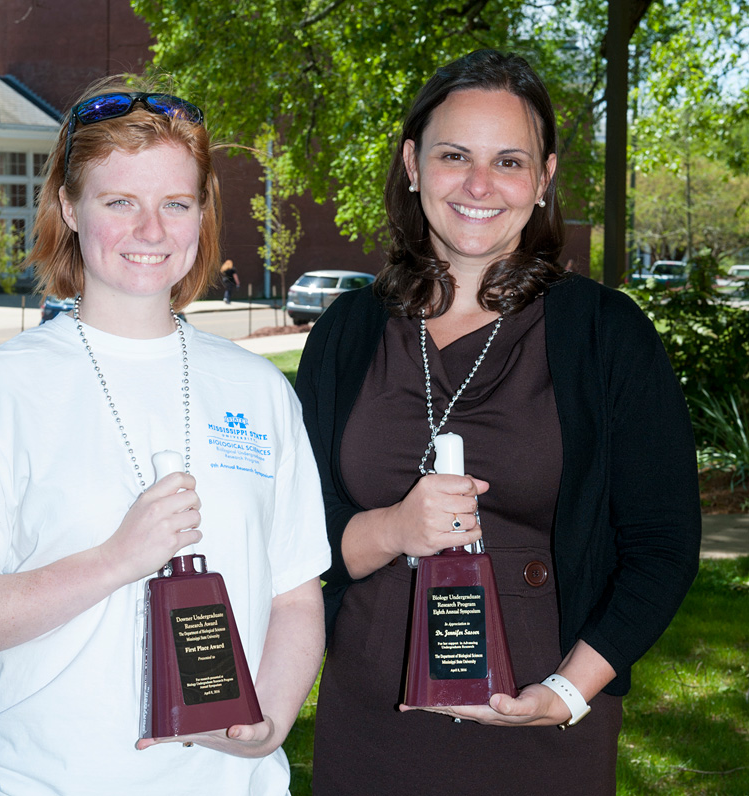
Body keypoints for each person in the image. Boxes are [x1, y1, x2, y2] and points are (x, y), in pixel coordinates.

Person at [0, 77, 330, 796]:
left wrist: (269, 723)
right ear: (69, 208)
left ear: (201, 214)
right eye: (120, 202)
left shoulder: (260, 392)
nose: (151, 231)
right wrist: (119, 558)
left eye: (174, 204)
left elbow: (296, 597)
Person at [295, 49, 701, 795]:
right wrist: (391, 529)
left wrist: (571, 691)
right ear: (413, 165)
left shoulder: (605, 336)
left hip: (539, 728)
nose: (479, 185)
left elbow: (663, 543)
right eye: (455, 156)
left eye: (508, 161)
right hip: (372, 728)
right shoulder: (348, 334)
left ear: (543, 179)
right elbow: (291, 533)